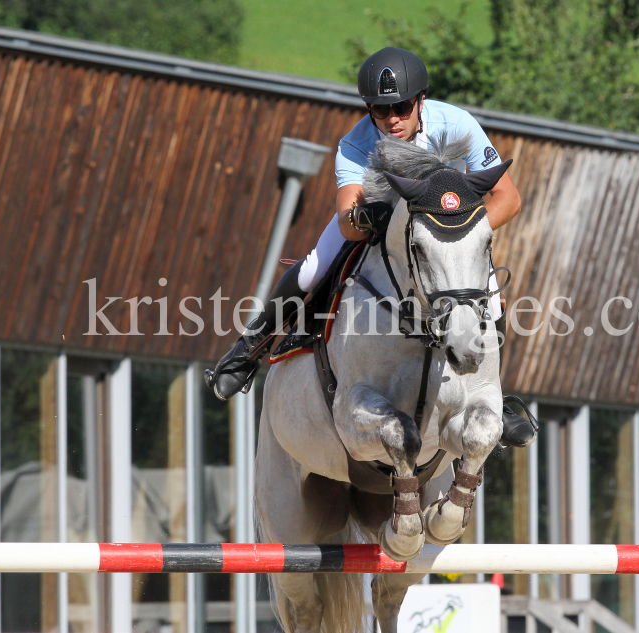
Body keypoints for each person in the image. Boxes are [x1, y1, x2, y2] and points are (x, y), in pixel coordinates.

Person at [205, 47, 537, 447]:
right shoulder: (355, 143)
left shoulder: (456, 124)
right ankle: (246, 352)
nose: (392, 118)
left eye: (400, 106)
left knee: (493, 299)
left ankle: (493, 397)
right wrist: (368, 219)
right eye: (380, 110)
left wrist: (455, 230)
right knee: (313, 269)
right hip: (379, 222)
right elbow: (348, 220)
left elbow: (509, 198)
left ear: (420, 100)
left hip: (446, 230)